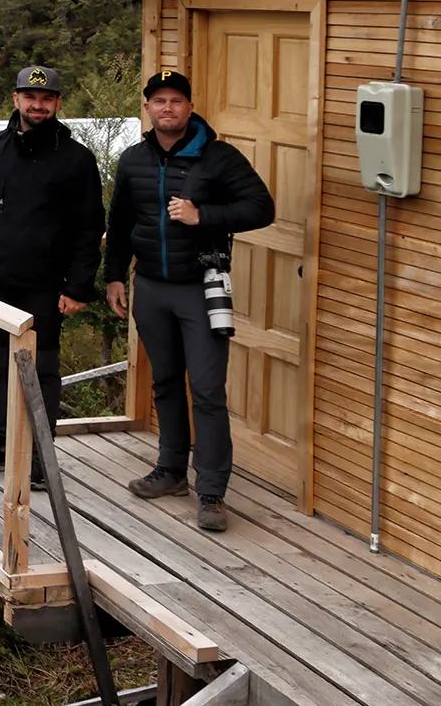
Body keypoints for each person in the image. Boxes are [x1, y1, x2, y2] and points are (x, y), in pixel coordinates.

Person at [104, 70, 274, 533]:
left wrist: (204, 216)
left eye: (176, 101)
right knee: (164, 383)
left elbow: (262, 208)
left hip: (201, 288)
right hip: (152, 288)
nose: (167, 108)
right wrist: (114, 277)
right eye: (158, 101)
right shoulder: (133, 160)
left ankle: (213, 493)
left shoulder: (218, 158)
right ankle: (171, 471)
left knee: (206, 391)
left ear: (189, 106)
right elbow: (119, 223)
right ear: (148, 108)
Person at [0, 65, 105, 487]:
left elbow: (90, 228)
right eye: (30, 97)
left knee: (42, 369)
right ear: (15, 100)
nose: (39, 105)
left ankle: (40, 455)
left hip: (46, 285)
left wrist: (78, 287)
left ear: (57, 104)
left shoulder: (76, 159)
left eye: (47, 99)